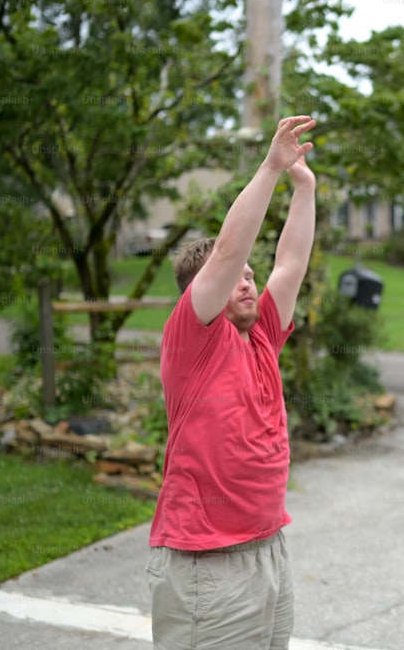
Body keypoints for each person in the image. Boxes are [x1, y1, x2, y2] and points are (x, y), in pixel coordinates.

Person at [146, 115, 317, 650]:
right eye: (239, 276)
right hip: (207, 563)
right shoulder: (193, 339)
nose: (248, 281)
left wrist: (304, 188)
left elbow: (289, 264)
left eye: (250, 276)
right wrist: (270, 168)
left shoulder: (262, 334)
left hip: (267, 548)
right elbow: (226, 253)